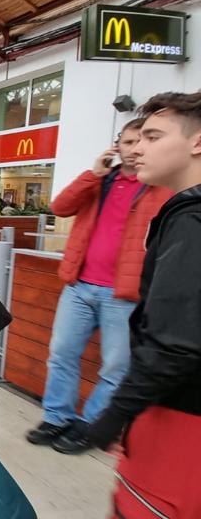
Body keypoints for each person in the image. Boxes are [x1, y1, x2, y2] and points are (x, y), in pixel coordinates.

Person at [25, 119, 172, 455]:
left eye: (144, 141)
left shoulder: (160, 186)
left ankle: (90, 425)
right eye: (129, 142)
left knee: (116, 367)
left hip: (125, 295)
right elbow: (60, 207)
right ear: (117, 145)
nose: (135, 149)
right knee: (61, 355)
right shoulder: (100, 181)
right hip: (79, 286)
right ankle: (56, 418)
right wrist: (92, 174)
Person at [86, 92, 201, 518]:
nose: (137, 149)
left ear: (197, 142)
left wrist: (117, 412)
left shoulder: (191, 221)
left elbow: (175, 340)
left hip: (182, 418)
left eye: (153, 137)